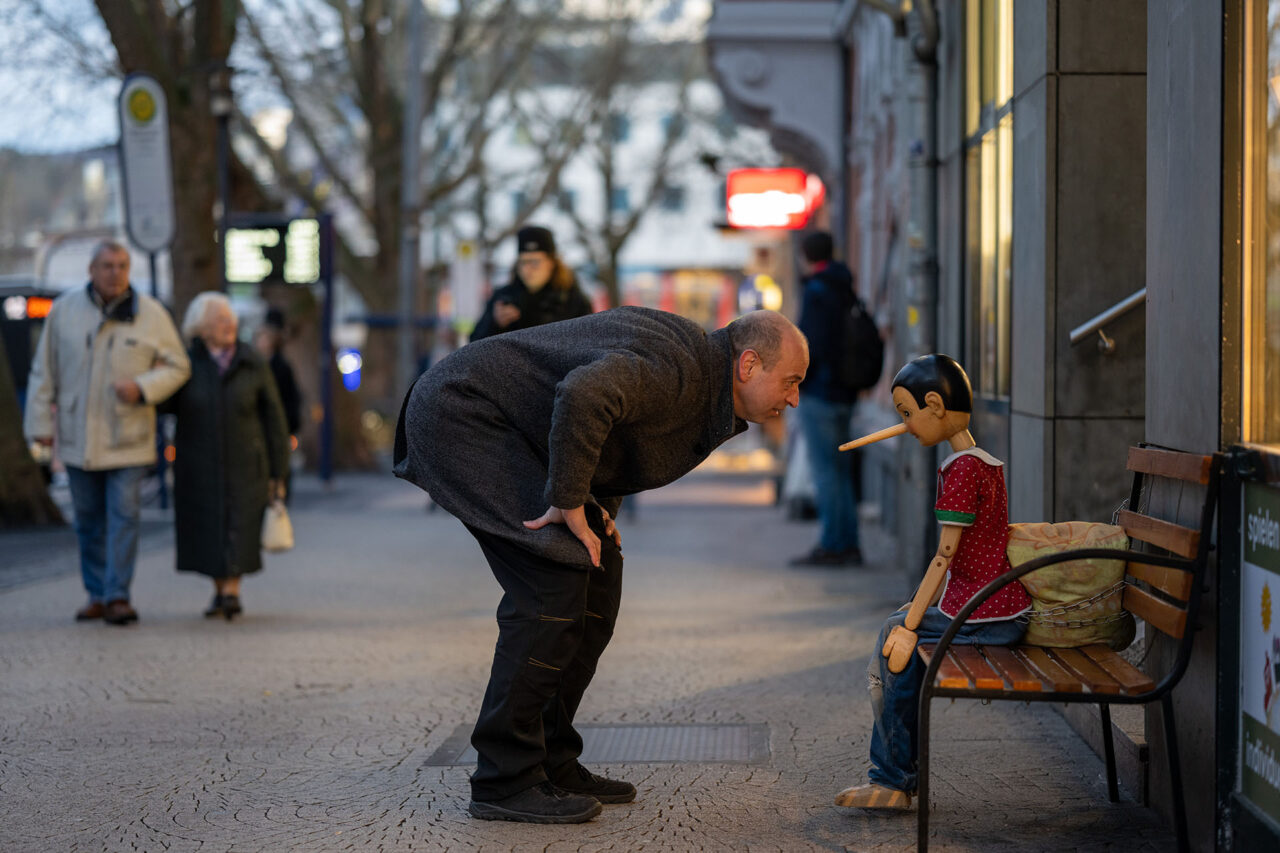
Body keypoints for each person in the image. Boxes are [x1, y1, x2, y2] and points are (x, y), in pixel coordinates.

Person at [394, 307, 809, 824]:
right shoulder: (678, 369)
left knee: (598, 573)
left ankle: (549, 759)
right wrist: (570, 498)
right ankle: (505, 778)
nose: (794, 398)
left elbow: (616, 437)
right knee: (551, 585)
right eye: (791, 381)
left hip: (513, 431)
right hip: (463, 414)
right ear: (748, 364)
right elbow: (585, 393)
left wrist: (595, 507)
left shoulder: (699, 372)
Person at [833, 355, 1030, 810]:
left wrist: (911, 622)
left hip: (986, 612)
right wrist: (914, 612)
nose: (905, 425)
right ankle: (899, 774)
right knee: (901, 627)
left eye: (907, 413)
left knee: (893, 638)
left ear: (936, 406)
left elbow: (945, 556)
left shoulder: (961, 469)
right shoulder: (984, 463)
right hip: (992, 604)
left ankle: (892, 779)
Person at [24, 241, 190, 626]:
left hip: (128, 436)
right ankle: (96, 592)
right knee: (87, 518)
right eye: (107, 265)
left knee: (124, 515)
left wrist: (143, 387)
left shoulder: (151, 314)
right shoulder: (64, 311)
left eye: (122, 265)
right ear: (92, 270)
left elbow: (178, 366)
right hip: (77, 437)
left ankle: (117, 595)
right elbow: (43, 372)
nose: (115, 273)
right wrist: (41, 427)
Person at [163, 293, 289, 620]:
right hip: (198, 465)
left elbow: (274, 418)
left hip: (247, 465)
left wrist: (279, 471)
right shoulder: (185, 363)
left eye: (230, 319)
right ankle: (220, 588)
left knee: (240, 525)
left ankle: (232, 589)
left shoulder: (252, 362)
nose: (229, 324)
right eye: (220, 320)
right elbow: (165, 405)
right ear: (201, 327)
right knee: (207, 527)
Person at [790, 230, 862, 567]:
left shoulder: (817, 290)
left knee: (826, 472)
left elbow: (810, 347)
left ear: (806, 255)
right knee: (841, 472)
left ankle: (834, 544)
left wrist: (796, 381)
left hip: (821, 392)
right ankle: (848, 542)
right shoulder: (844, 285)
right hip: (845, 392)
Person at [470, 225, 592, 340]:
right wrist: (495, 324)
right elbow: (474, 344)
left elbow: (589, 342)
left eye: (535, 262)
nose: (527, 269)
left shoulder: (573, 300)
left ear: (551, 263)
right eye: (523, 262)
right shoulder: (503, 298)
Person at [253, 307, 301, 500]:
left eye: (265, 338)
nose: (261, 342)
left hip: (276, 429)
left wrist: (287, 426)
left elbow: (290, 401)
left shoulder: (281, 367)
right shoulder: (253, 365)